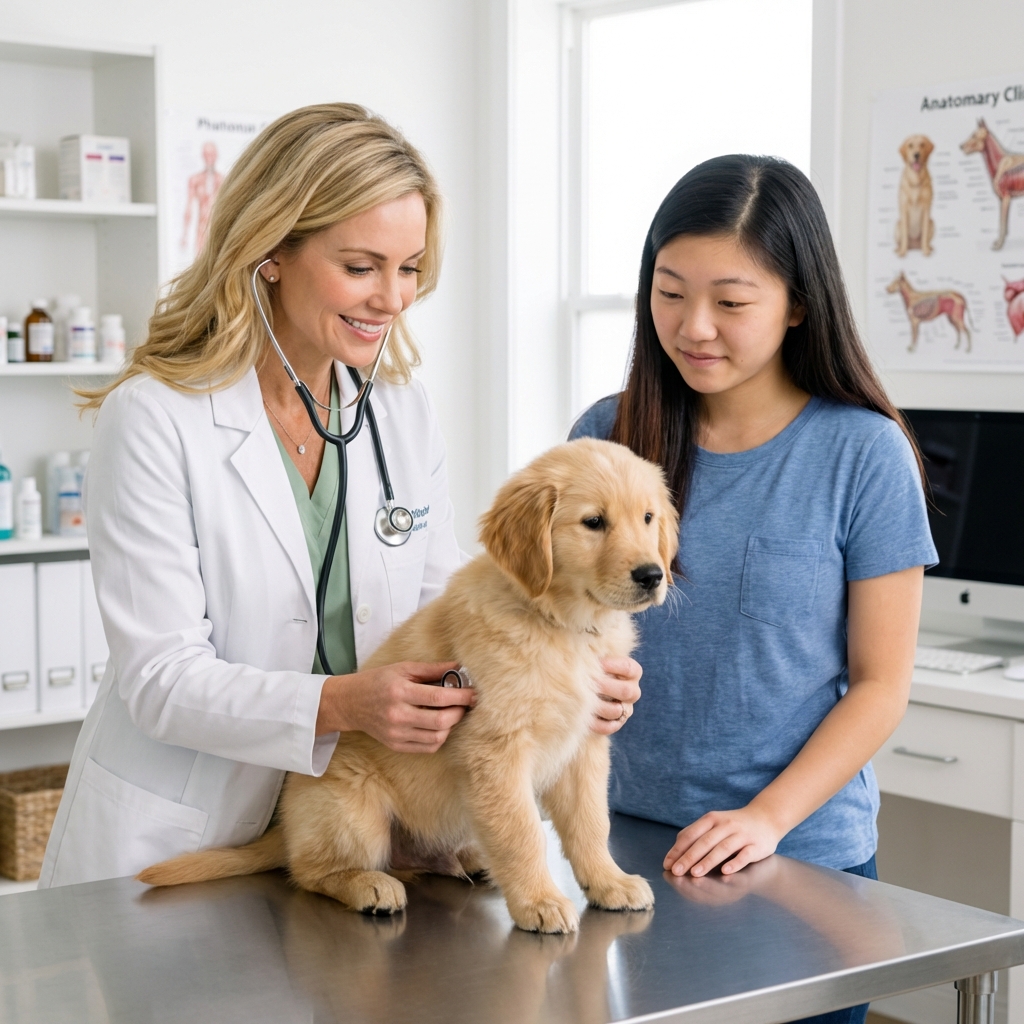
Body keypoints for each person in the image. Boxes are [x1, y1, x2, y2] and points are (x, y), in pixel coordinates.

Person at [40, 104, 640, 888]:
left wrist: (567, 663)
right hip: (187, 819)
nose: (393, 299)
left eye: (411, 267)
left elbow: (438, 599)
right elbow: (161, 680)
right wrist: (342, 705)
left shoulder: (397, 409)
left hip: (369, 823)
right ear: (270, 253)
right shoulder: (155, 417)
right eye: (361, 267)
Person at [570, 155, 937, 1024]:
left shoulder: (863, 453)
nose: (694, 326)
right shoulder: (608, 433)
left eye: (731, 302)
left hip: (794, 862)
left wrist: (765, 819)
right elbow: (557, 617)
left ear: (797, 303)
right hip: (621, 845)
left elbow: (881, 686)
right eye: (669, 291)